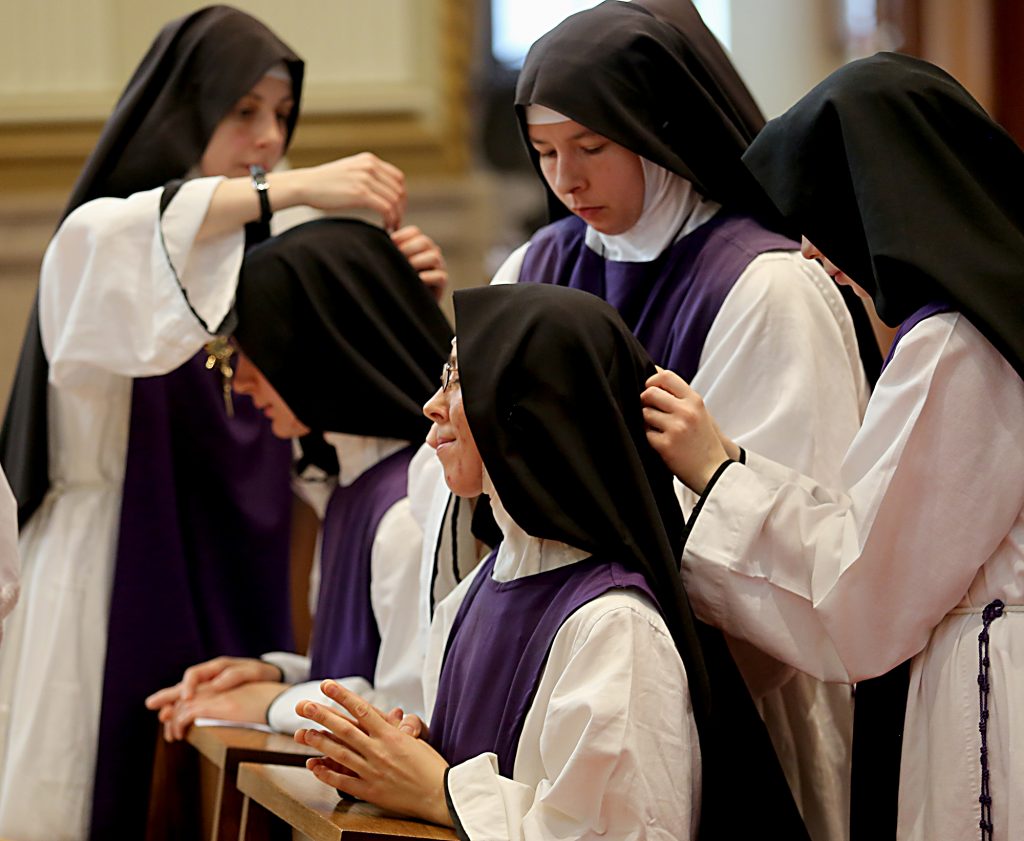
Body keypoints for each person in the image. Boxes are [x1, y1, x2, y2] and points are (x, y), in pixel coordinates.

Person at [0, 8, 442, 839]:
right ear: (184, 108)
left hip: (235, 552)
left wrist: (404, 291)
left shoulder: (265, 248)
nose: (268, 138)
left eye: (282, 117)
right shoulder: (100, 233)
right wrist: (303, 186)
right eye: (245, 113)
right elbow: (147, 239)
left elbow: (344, 416)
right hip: (111, 569)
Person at [475, 3, 870, 837]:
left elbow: (810, 534)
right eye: (544, 152)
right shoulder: (534, 269)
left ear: (656, 129)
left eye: (591, 148)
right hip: (558, 666)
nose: (567, 182)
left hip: (726, 683)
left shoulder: (766, 286)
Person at [642, 53, 1024, 841]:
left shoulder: (956, 343)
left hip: (993, 685)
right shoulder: (996, 308)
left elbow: (865, 591)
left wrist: (719, 476)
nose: (814, 251)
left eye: (823, 211)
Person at [292, 283, 809, 841]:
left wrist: (439, 790)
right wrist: (406, 759)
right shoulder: (471, 594)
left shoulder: (614, 626)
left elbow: (623, 833)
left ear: (528, 407)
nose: (432, 405)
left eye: (458, 381)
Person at [145, 217, 452, 736]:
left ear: (316, 345)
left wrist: (273, 703)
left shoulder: (411, 510)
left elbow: (408, 715)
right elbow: (363, 667)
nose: (238, 381)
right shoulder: (348, 486)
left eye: (252, 348)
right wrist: (279, 673)